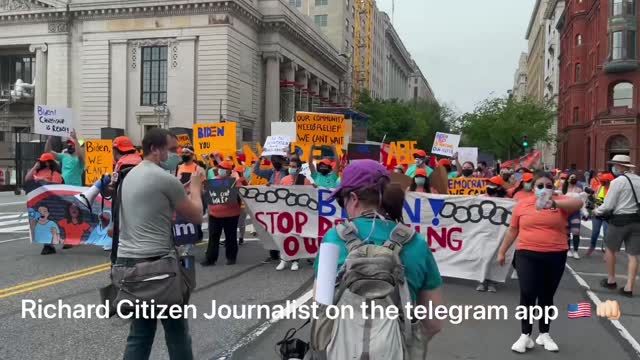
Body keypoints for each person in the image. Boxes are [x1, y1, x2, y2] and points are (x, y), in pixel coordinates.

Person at [316, 160, 444, 346]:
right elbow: (434, 323)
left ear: (353, 198)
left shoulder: (333, 238)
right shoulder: (416, 244)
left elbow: (320, 308)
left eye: (341, 200)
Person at [115, 128, 203, 360]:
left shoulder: (129, 175)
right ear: (155, 149)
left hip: (129, 265)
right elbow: (196, 215)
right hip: (159, 267)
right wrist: (195, 187)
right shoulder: (164, 178)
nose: (175, 155)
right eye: (171, 149)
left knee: (140, 334)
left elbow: (155, 202)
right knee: (176, 332)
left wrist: (181, 192)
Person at [498, 172, 583, 353]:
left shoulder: (560, 202)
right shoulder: (523, 204)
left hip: (555, 254)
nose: (544, 189)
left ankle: (544, 333)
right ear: (533, 188)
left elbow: (579, 204)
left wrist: (554, 202)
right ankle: (525, 335)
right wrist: (502, 251)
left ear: (554, 188)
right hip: (527, 253)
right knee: (528, 292)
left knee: (546, 295)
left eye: (548, 185)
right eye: (540, 186)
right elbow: (513, 230)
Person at [594, 155, 640, 297]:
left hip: (619, 220)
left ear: (619, 166)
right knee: (633, 255)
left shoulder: (617, 182)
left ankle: (611, 280)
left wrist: (596, 211)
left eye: (614, 165)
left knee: (610, 249)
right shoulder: (639, 180)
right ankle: (629, 287)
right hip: (637, 221)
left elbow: (608, 205)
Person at [108, 136, 144, 263]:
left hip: (123, 209)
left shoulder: (121, 165)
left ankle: (118, 272)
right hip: (141, 209)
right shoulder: (140, 160)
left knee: (120, 244)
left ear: (116, 150)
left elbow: (113, 188)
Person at [202, 160, 241, 266]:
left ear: (229, 171)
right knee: (213, 237)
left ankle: (231, 258)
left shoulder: (235, 182)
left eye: (224, 169)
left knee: (231, 237)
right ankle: (210, 259)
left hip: (231, 215)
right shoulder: (213, 181)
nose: (221, 170)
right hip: (215, 215)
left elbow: (241, 195)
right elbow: (206, 194)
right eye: (220, 168)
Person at [276, 157, 311, 271]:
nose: (291, 168)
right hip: (285, 212)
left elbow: (310, 195)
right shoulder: (284, 179)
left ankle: (295, 261)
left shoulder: (305, 180)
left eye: (294, 166)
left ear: (299, 168)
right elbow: (278, 193)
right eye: (290, 166)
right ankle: (283, 260)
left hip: (298, 213)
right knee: (283, 236)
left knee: (296, 237)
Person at [253, 155, 290, 264]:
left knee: (284, 230)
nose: (275, 162)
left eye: (278, 160)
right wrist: (260, 159)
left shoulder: (287, 172)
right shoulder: (270, 172)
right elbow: (256, 171)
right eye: (273, 160)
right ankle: (273, 254)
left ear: (282, 161)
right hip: (272, 205)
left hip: (284, 205)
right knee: (272, 229)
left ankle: (286, 252)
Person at [477, 176, 508, 292]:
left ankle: (492, 282)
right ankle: (481, 280)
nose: (489, 186)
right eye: (488, 183)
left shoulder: (507, 201)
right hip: (483, 232)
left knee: (495, 257)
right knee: (482, 256)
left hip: (499, 233)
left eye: (492, 184)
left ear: (499, 187)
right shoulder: (480, 198)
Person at [587, 173, 614, 256]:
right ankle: (592, 246)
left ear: (609, 182)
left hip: (608, 215)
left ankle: (607, 250)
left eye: (604, 181)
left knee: (607, 233)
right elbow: (595, 198)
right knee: (595, 232)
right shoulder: (599, 187)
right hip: (597, 213)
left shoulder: (613, 190)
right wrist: (591, 199)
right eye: (602, 181)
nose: (602, 183)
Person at [561, 173, 584, 259]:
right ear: (568, 179)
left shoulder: (579, 190)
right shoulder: (563, 189)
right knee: (566, 233)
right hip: (565, 214)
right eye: (572, 177)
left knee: (576, 232)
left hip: (575, 213)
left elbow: (583, 202)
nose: (573, 178)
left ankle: (576, 251)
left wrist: (584, 212)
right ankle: (568, 249)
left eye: (575, 177)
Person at [232, 165, 249, 246]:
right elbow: (247, 188)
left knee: (233, 222)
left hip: (234, 205)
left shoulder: (233, 180)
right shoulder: (242, 179)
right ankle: (241, 238)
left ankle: (234, 238)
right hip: (241, 205)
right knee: (241, 223)